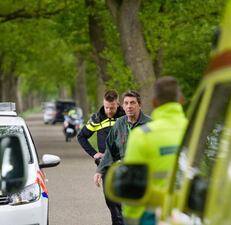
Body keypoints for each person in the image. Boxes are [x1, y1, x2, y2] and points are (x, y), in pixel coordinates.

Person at [121, 76, 188, 225]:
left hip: (152, 218)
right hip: (191, 214)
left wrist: (131, 219)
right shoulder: (197, 131)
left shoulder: (142, 136)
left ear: (154, 102)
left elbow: (132, 188)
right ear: (181, 100)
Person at [94, 91, 152, 224]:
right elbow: (110, 150)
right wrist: (100, 170)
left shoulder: (149, 124)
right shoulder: (119, 124)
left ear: (139, 105)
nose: (129, 106)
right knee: (120, 213)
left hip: (143, 177)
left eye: (132, 103)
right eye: (126, 103)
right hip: (124, 176)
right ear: (123, 106)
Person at [77, 90, 125, 225]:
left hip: (123, 164)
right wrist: (94, 153)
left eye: (112, 107)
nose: (109, 110)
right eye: (107, 107)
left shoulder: (125, 117)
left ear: (118, 104)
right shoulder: (97, 118)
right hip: (105, 164)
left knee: (121, 201)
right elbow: (81, 136)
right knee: (111, 201)